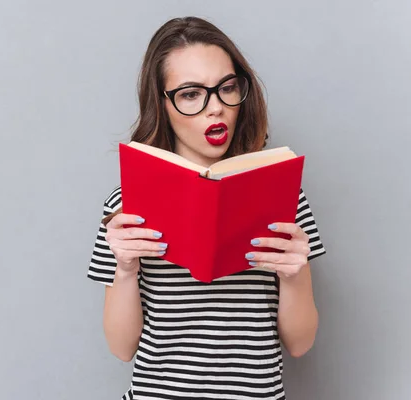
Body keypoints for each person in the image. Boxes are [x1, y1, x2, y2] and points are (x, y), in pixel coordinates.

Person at [87, 16, 326, 400]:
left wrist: (296, 275)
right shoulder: (125, 206)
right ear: (162, 104)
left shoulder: (285, 197)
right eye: (190, 93)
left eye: (227, 88)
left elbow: (299, 344)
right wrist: (126, 269)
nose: (215, 108)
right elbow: (121, 348)